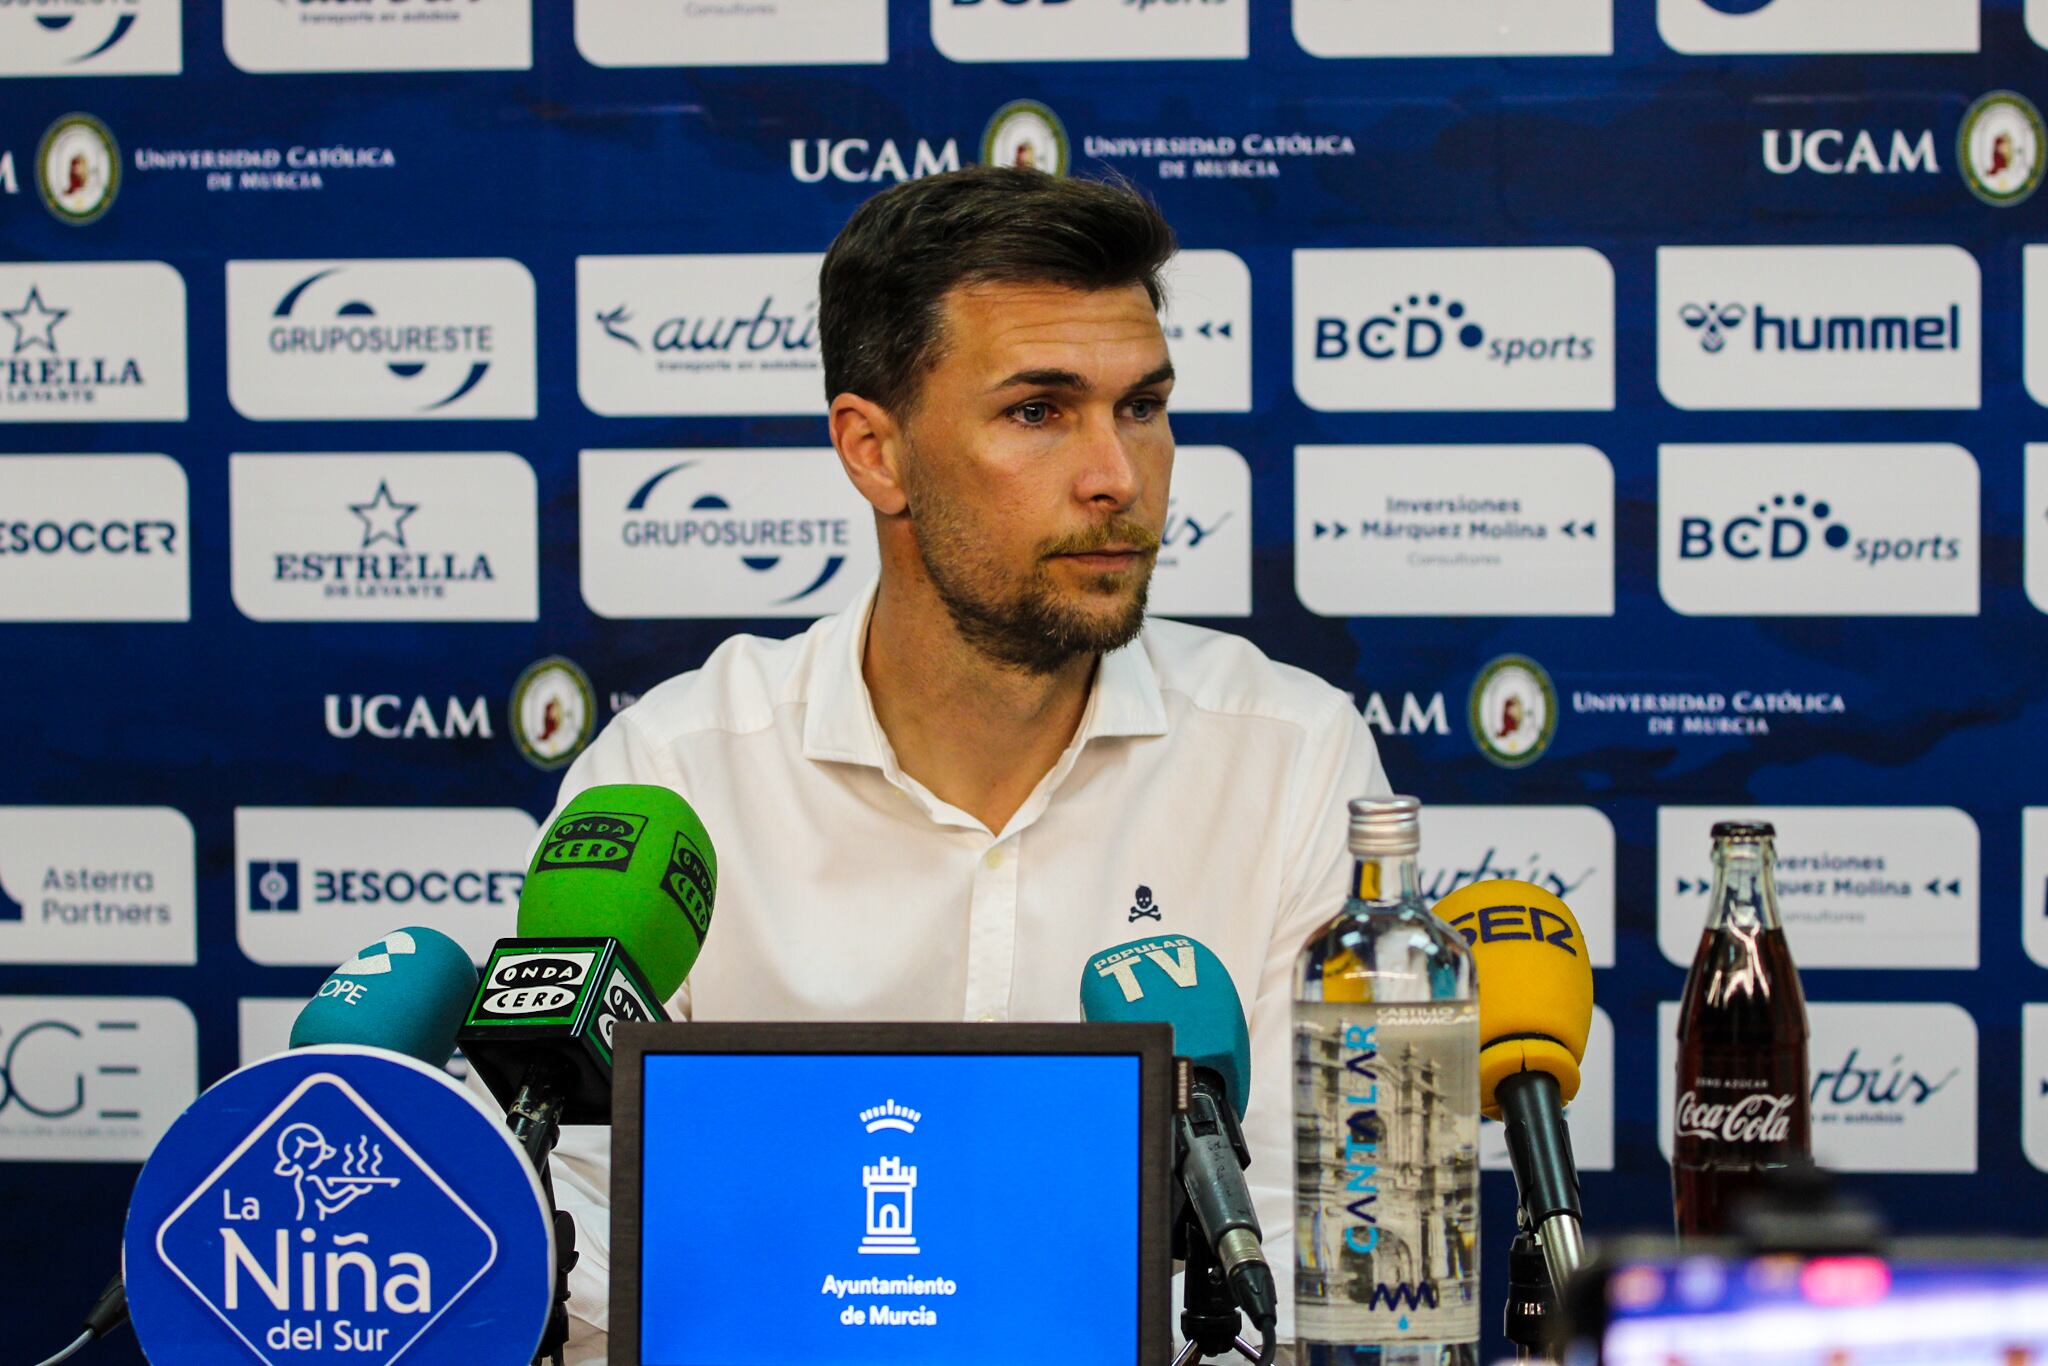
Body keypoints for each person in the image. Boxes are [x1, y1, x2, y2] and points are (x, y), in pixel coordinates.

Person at [542, 164, 1387, 1360]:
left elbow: (1328, 1245)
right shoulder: (675, 774)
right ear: (873, 451)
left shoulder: (1292, 755)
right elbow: (578, 1230)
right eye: (1039, 411)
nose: (1116, 477)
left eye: (1139, 407)